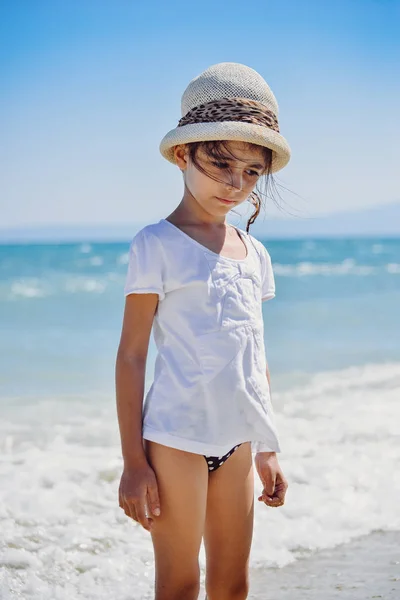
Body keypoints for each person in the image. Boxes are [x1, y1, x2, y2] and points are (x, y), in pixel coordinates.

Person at [115, 62, 290, 600]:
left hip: (237, 439)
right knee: (179, 584)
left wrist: (266, 445)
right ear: (181, 154)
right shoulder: (156, 244)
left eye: (252, 171)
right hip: (174, 440)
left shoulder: (254, 252)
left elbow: (252, 353)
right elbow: (132, 357)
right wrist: (133, 463)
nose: (235, 184)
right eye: (220, 163)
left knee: (233, 586)